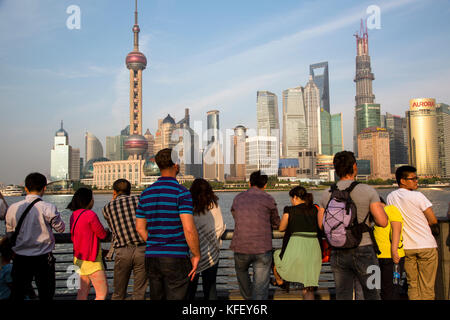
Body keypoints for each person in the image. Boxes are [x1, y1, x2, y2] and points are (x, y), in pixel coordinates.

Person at [318, 151, 388, 300]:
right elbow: (383, 222)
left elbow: (321, 224)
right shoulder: (368, 190)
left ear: (335, 170)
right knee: (373, 292)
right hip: (365, 250)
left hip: (337, 251)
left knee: (343, 295)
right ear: (355, 166)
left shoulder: (327, 193)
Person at [135, 148, 201, 300]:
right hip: (176, 257)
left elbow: (139, 228)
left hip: (152, 257)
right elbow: (189, 229)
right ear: (176, 165)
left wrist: (155, 242)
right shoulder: (181, 193)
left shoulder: (146, 194)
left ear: (158, 166)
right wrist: (196, 254)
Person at [6, 172, 65, 300]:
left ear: (26, 188)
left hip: (20, 259)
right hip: (43, 259)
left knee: (18, 294)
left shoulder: (12, 208)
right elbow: (60, 228)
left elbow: (9, 233)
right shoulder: (49, 208)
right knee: (46, 294)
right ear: (44, 188)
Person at [386, 165, 439, 300]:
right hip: (426, 245)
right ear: (402, 181)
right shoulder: (418, 196)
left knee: (412, 285)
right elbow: (432, 220)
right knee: (427, 287)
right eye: (413, 178)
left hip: (406, 248)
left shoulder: (390, 197)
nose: (416, 181)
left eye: (416, 178)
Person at [230, 170, 280, 300]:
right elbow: (276, 222)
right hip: (262, 247)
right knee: (261, 288)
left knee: (241, 273)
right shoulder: (269, 199)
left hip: (241, 245)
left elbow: (235, 215)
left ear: (249, 183)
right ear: (265, 185)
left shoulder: (238, 198)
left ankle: (248, 297)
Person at [272, 186, 323, 300]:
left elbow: (281, 228)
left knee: (275, 255)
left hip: (296, 247)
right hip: (313, 248)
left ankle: (280, 281)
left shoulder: (289, 210)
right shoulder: (316, 209)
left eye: (291, 198)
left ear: (295, 197)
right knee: (308, 285)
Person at [102, 179, 148, 300]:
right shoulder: (140, 200)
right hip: (143, 249)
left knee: (118, 292)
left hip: (122, 251)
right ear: (130, 190)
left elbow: (113, 227)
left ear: (114, 192)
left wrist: (113, 200)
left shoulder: (107, 208)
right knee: (139, 293)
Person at [187, 178, 226, 300]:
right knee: (210, 288)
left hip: (192, 253)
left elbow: (187, 229)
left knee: (189, 289)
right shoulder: (214, 205)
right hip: (212, 253)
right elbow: (220, 227)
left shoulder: (188, 205)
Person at [68, 187, 109, 300]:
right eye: (92, 198)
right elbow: (102, 235)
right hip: (92, 261)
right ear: (88, 200)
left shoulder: (74, 215)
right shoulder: (90, 215)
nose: (93, 200)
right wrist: (106, 230)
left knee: (82, 293)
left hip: (79, 259)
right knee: (102, 293)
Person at [373, 197, 407, 300]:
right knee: (382, 290)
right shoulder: (373, 215)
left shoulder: (390, 209)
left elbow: (396, 229)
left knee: (391, 290)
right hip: (378, 257)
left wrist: (394, 250)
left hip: (392, 258)